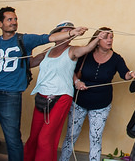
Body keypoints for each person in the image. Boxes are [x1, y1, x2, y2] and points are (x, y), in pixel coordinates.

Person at [0, 7, 89, 161]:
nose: (14, 22)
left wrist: (72, 33)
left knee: (13, 140)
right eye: (9, 19)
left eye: (15, 19)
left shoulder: (24, 39)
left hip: (11, 96)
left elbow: (48, 38)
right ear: (0, 23)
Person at [23, 22, 106, 161]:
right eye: (66, 30)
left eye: (71, 31)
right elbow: (30, 64)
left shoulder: (73, 50)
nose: (69, 33)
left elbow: (86, 49)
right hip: (42, 95)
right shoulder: (48, 51)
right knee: (34, 137)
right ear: (56, 34)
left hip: (61, 97)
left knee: (45, 138)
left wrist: (98, 38)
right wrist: (26, 47)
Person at [59, 27, 135, 161]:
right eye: (106, 37)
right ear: (97, 39)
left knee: (95, 138)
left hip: (101, 105)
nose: (109, 40)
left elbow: (125, 74)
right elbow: (71, 70)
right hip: (79, 102)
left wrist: (131, 74)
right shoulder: (85, 54)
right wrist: (77, 81)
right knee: (71, 136)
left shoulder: (116, 59)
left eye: (111, 37)